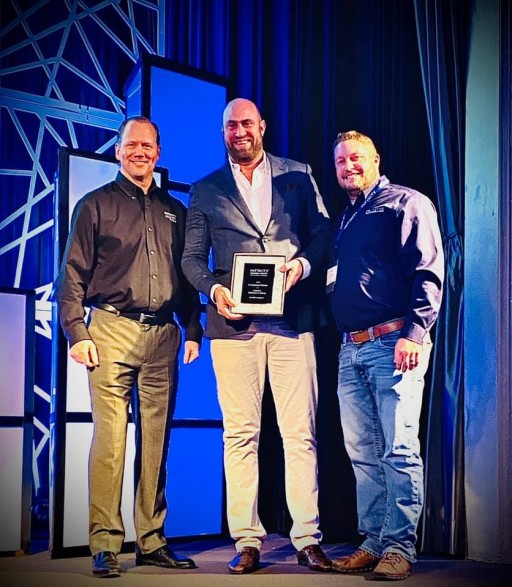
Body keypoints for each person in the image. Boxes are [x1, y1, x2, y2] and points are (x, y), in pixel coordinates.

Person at [182, 98, 332, 574]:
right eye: (231, 125)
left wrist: (302, 265)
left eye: (247, 123)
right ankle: (247, 539)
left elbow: (323, 235)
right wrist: (215, 290)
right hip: (233, 326)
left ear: (262, 126)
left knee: (300, 434)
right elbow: (191, 259)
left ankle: (306, 536)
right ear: (223, 131)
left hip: (293, 319)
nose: (239, 131)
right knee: (240, 435)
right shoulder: (205, 188)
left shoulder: (298, 174)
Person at [56, 115, 203, 578]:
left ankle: (152, 540)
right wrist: (77, 333)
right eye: (131, 145)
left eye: (147, 146)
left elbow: (188, 278)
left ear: (158, 153)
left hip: (163, 336)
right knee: (111, 441)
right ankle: (104, 543)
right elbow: (71, 274)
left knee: (156, 443)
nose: (140, 152)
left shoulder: (176, 211)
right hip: (110, 329)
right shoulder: (95, 204)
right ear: (118, 151)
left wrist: (193, 329)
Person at [327, 131, 444, 581]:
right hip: (351, 348)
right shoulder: (347, 216)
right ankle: (374, 541)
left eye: (356, 158)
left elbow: (428, 271)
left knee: (398, 449)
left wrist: (415, 333)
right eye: (341, 161)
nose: (348, 166)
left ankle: (399, 546)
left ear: (376, 159)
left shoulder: (405, 202)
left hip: (393, 343)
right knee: (363, 453)